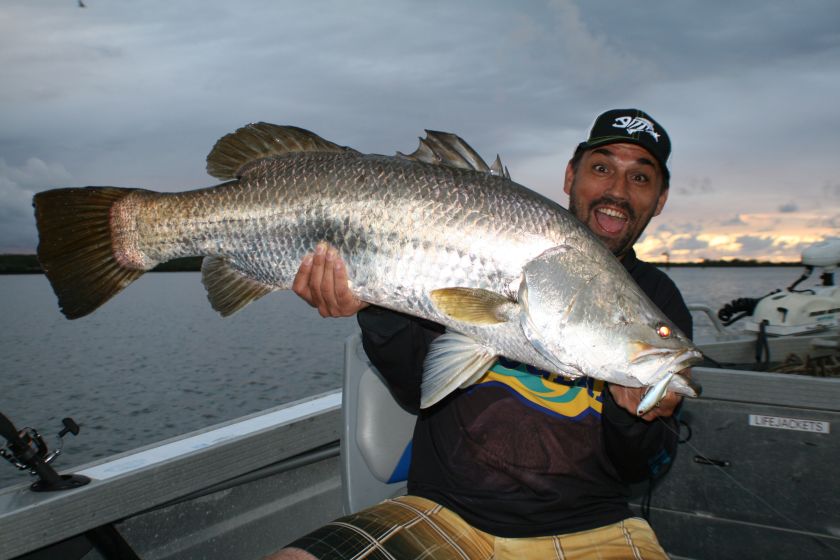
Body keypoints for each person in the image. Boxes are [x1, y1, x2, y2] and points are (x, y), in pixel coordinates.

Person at [267, 108, 691, 560]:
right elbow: (415, 388)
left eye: (640, 178)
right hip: (443, 514)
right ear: (571, 175)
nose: (617, 191)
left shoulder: (658, 302)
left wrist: (636, 415)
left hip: (593, 530)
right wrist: (374, 304)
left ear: (660, 199)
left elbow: (644, 466)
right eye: (602, 168)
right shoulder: (482, 237)